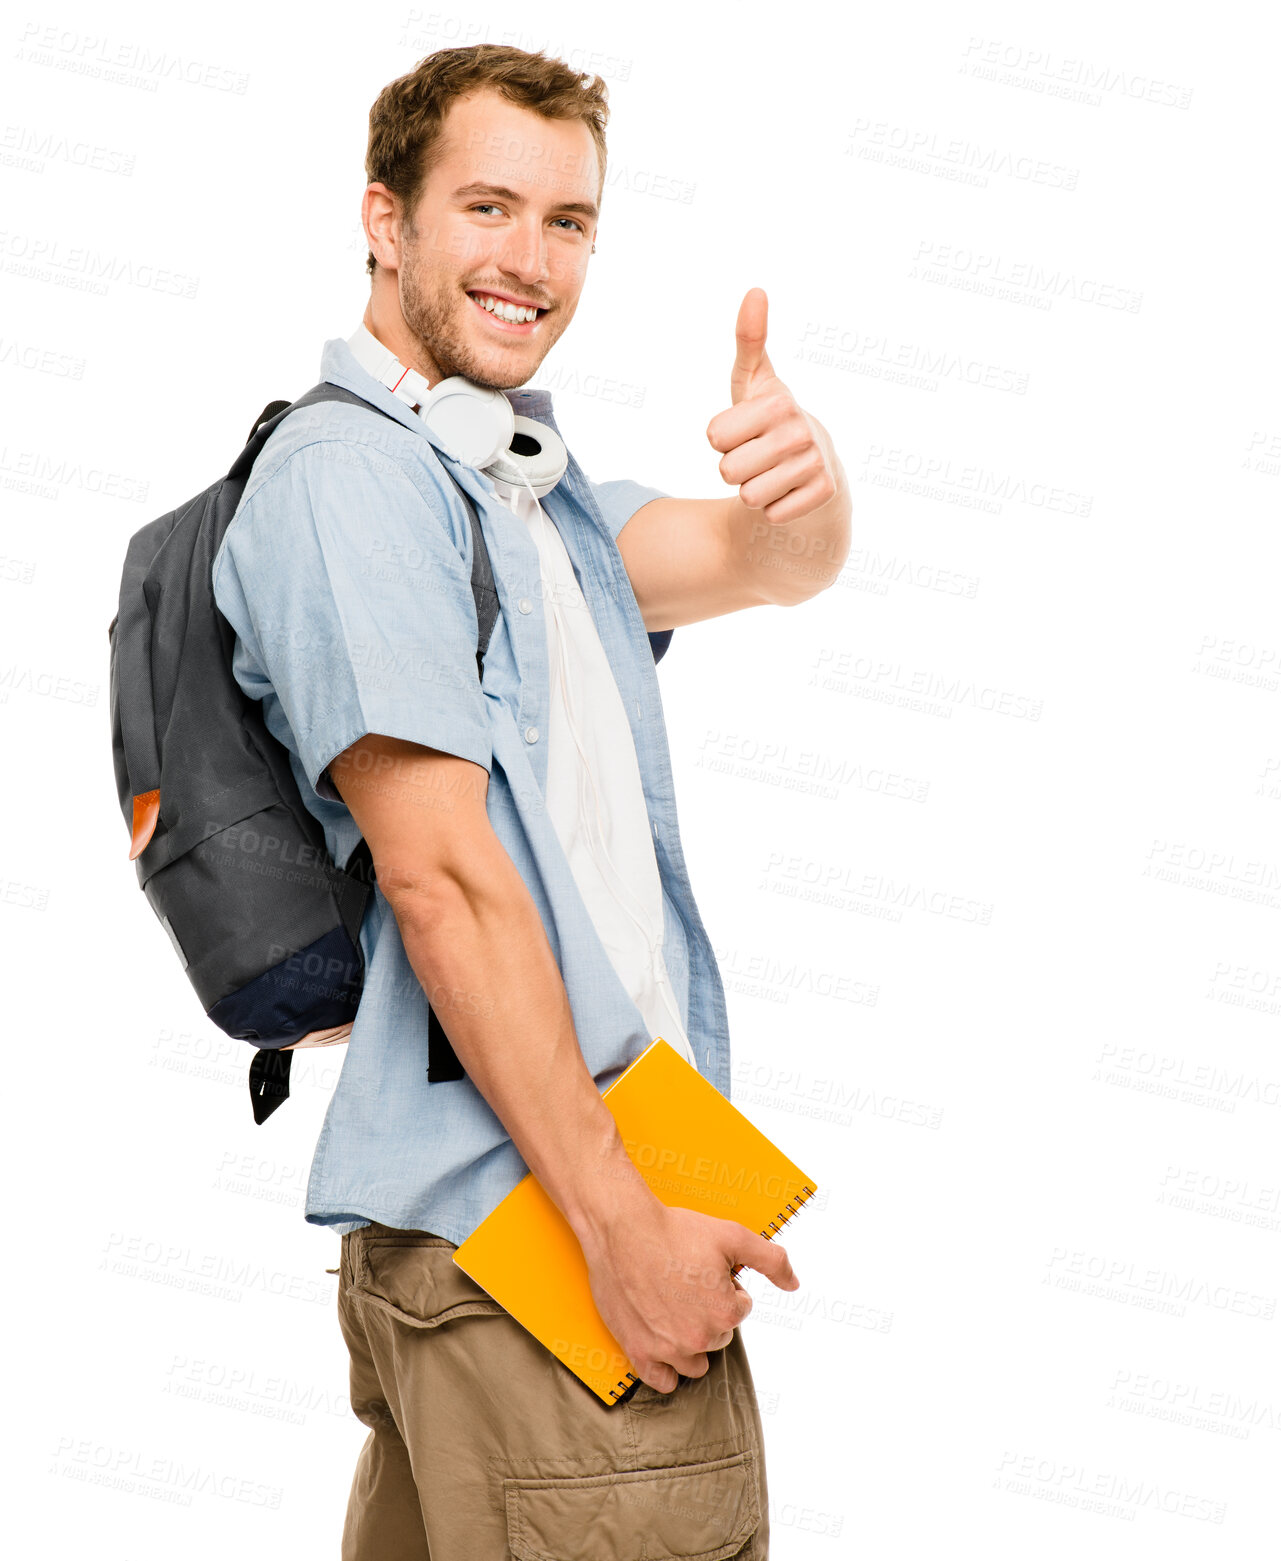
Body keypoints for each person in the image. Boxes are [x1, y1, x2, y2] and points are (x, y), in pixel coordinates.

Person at [210, 42, 850, 1561]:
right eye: (486, 206)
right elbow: (441, 881)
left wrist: (806, 503)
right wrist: (624, 1231)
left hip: (494, 1239)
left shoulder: (520, 490)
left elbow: (757, 564)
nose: (529, 259)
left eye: (568, 221)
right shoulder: (355, 480)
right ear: (385, 218)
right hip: (543, 1232)